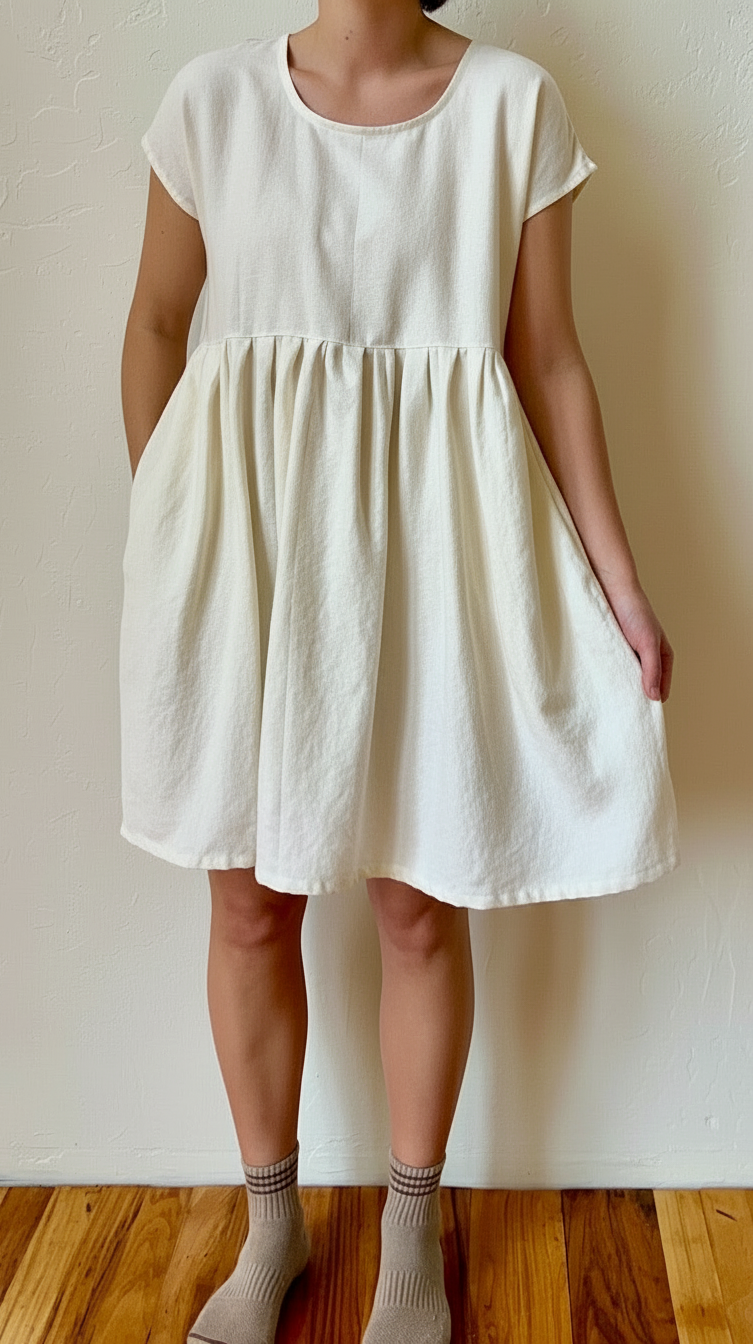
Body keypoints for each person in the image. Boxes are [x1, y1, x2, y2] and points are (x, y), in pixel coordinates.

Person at [119, 1, 681, 1341]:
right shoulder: (210, 102)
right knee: (250, 904)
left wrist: (621, 584)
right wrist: (173, 528)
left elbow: (547, 361)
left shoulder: (512, 107)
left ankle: (413, 1244)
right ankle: (274, 1230)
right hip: (253, 575)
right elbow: (153, 325)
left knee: (422, 906)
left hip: (441, 560)